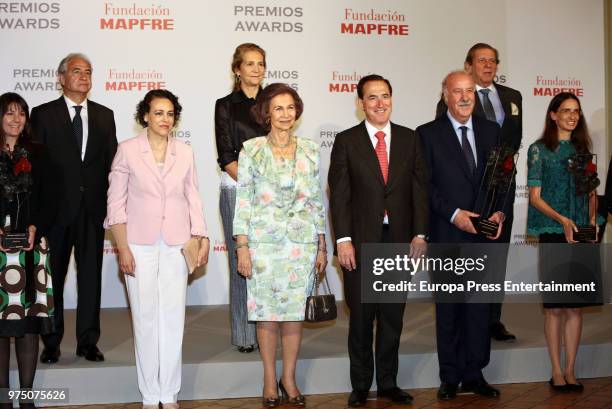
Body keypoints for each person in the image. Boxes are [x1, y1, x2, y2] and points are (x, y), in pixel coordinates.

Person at [328, 74, 429, 407]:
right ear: (360, 103)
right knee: (360, 317)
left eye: (385, 96)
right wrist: (342, 239)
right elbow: (339, 197)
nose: (380, 103)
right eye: (372, 97)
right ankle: (360, 385)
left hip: (398, 240)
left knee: (391, 317)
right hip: (359, 244)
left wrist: (420, 233)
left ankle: (388, 383)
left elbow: (420, 190)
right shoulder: (346, 141)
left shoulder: (410, 139)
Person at [105, 89, 209, 409]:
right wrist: (122, 248)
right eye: (158, 113)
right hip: (138, 244)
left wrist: (202, 236)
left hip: (178, 244)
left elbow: (193, 196)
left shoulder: (186, 152)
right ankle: (150, 395)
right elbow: (116, 204)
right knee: (145, 319)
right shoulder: (127, 150)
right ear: (145, 116)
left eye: (170, 113)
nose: (165, 119)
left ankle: (169, 392)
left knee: (173, 318)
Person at [233, 83, 327, 408]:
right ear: (266, 113)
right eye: (278, 108)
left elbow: (316, 200)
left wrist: (322, 244)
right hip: (262, 246)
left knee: (292, 316)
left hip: (300, 246)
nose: (285, 114)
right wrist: (242, 246)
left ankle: (289, 378)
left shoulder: (312, 150)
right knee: (267, 317)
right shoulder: (251, 150)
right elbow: (243, 200)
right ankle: (268, 379)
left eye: (290, 107)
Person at [418, 70, 503, 400]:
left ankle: (475, 373)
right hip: (446, 232)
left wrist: (500, 212)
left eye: (470, 91)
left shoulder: (492, 131)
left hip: (483, 235)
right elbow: (424, 186)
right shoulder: (426, 135)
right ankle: (450, 376)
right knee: (450, 309)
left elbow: (504, 181)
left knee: (479, 309)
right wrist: (455, 215)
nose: (465, 97)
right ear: (445, 95)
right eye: (458, 91)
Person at [30, 53, 118, 364]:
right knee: (52, 277)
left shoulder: (105, 116)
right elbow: (34, 170)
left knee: (91, 278)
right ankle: (51, 341)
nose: (83, 76)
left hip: (93, 211)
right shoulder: (42, 115)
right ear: (62, 78)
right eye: (77, 71)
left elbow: (113, 167)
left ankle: (88, 341)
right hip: (55, 213)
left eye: (88, 72)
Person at [436, 42, 522, 342]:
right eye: (481, 60)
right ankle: (467, 327)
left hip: (499, 193)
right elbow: (445, 150)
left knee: (496, 259)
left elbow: (511, 148)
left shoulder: (512, 97)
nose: (488, 65)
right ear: (469, 65)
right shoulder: (452, 98)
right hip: (465, 201)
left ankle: (492, 319)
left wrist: (501, 203)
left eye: (493, 61)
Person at [527, 92, 603, 393]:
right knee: (556, 308)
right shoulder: (538, 150)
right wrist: (563, 221)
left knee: (575, 308)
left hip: (582, 235)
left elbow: (591, 194)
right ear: (553, 115)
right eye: (566, 111)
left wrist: (592, 224)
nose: (572, 116)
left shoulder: (583, 149)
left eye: (576, 111)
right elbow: (535, 197)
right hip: (554, 232)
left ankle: (571, 370)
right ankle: (556, 371)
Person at [0, 93, 56, 409]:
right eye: (9, 113)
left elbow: (52, 198)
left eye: (21, 113)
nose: (16, 119)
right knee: (1, 324)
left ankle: (26, 397)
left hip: (31, 252)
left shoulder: (39, 153)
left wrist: (37, 224)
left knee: (28, 324)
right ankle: (3, 398)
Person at [215, 43, 266, 353]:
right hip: (237, 190)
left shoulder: (274, 102)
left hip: (271, 194)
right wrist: (253, 184)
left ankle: (267, 333)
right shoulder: (225, 105)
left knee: (266, 267)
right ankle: (245, 336)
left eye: (260, 63)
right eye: (249, 63)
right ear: (237, 69)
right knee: (241, 263)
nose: (256, 69)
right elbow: (226, 155)